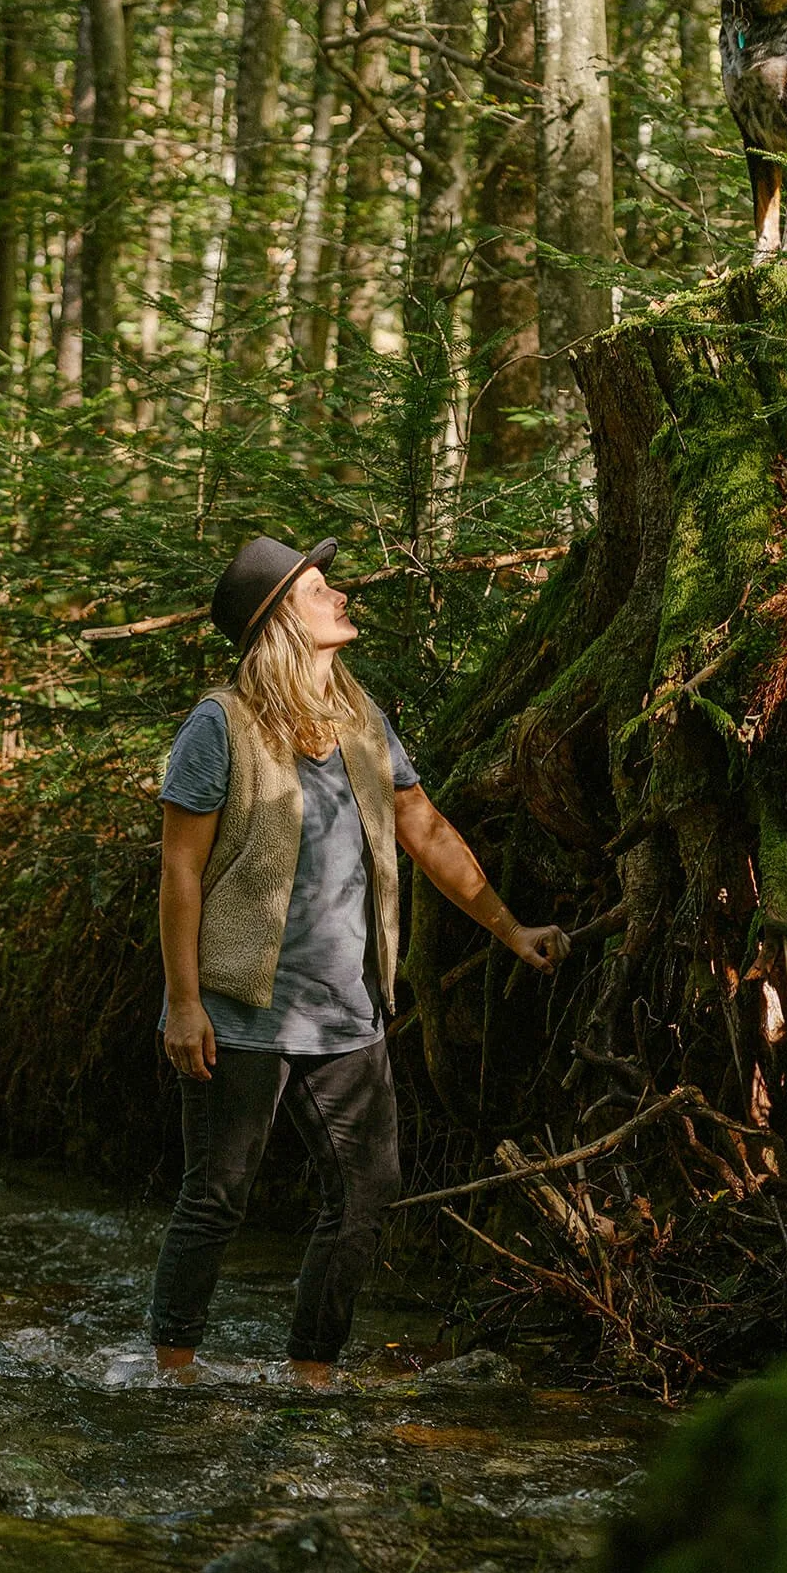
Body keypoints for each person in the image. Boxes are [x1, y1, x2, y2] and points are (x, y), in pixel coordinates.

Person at [151, 533, 569, 1386]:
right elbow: (179, 869)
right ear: (280, 621)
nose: (339, 597)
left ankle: (311, 1374)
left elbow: (423, 827)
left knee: (366, 1193)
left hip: (348, 1012)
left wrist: (506, 926)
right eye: (319, 589)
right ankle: (175, 1372)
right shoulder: (218, 724)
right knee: (217, 1196)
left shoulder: (360, 717)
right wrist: (184, 1002)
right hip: (238, 1009)